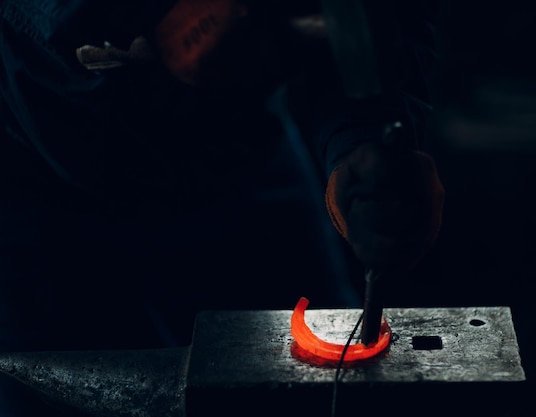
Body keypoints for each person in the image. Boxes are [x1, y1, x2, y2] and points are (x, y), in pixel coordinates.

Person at [0, 0, 444, 415]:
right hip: (29, 150)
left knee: (330, 394)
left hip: (231, 148)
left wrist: (358, 147)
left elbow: (366, 23)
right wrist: (135, 11)